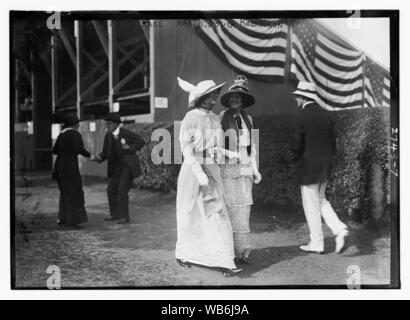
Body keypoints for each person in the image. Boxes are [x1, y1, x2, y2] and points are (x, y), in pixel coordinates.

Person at [175, 76, 243, 277]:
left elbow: (216, 147)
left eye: (216, 93)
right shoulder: (191, 118)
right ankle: (185, 253)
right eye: (211, 94)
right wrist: (198, 172)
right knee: (190, 213)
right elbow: (186, 149)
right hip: (193, 170)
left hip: (211, 168)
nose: (215, 97)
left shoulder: (214, 119)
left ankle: (223, 259)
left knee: (216, 213)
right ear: (201, 97)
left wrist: (230, 154)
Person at [290, 81, 349, 254]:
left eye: (297, 97)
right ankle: (339, 229)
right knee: (321, 199)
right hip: (325, 166)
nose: (295, 99)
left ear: (303, 97)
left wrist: (294, 159)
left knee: (311, 205)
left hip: (309, 168)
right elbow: (333, 145)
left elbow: (296, 145)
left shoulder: (301, 116)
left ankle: (317, 242)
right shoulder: (326, 115)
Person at [219, 75, 262, 265]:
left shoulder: (249, 119)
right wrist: (227, 156)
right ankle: (228, 250)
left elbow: (253, 146)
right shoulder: (222, 117)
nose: (235, 99)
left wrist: (255, 168)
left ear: (243, 100)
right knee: (230, 209)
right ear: (228, 100)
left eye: (239, 97)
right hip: (229, 168)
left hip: (245, 168)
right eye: (233, 97)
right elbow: (218, 143)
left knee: (244, 210)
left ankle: (242, 251)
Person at [94, 113, 145, 224]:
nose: (107, 126)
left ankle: (125, 217)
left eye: (108, 123)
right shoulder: (108, 136)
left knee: (122, 190)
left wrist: (130, 147)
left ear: (115, 124)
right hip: (115, 167)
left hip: (127, 166)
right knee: (111, 190)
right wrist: (98, 158)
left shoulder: (126, 133)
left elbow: (141, 142)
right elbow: (105, 153)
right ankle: (115, 215)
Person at [52, 115, 92, 228]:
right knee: (75, 193)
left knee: (64, 193)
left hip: (59, 167)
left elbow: (54, 151)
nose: (79, 126)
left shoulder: (61, 134)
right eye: (78, 124)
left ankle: (62, 219)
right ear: (74, 125)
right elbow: (80, 149)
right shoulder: (75, 134)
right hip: (70, 167)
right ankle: (73, 221)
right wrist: (91, 156)